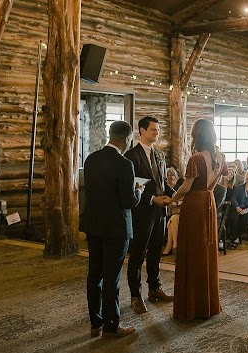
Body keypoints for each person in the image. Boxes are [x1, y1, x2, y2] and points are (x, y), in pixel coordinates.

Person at [82, 120, 142, 338]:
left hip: (94, 225)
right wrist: (139, 191)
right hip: (116, 228)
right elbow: (128, 201)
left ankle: (95, 323)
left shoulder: (91, 160)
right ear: (127, 139)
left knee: (94, 275)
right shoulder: (125, 164)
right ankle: (111, 326)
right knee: (111, 278)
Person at [170, 119, 228, 322]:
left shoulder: (196, 158)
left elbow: (186, 187)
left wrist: (172, 199)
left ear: (196, 136)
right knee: (205, 250)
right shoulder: (220, 157)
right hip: (209, 201)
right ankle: (208, 304)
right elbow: (219, 181)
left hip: (194, 205)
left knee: (192, 252)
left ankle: (192, 306)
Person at [124, 116, 173, 316]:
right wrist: (153, 198)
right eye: (153, 129)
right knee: (137, 254)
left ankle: (154, 287)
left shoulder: (159, 155)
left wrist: (176, 196)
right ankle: (136, 296)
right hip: (142, 211)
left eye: (157, 130)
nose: (156, 133)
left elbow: (163, 183)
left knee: (155, 251)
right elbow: (132, 187)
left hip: (160, 212)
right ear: (142, 131)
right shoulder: (131, 156)